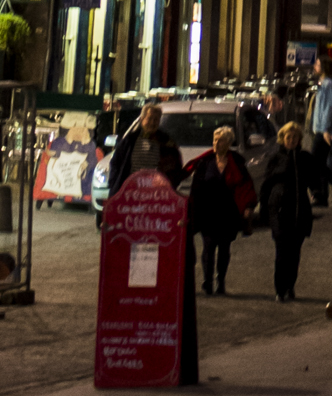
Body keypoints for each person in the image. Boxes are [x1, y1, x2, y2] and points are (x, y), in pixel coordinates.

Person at [185, 127, 255, 294]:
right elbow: (196, 188)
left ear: (229, 143)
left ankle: (220, 281)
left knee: (224, 249)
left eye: (220, 140)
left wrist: (247, 207)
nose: (216, 143)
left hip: (228, 213)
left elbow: (246, 186)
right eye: (215, 140)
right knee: (208, 248)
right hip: (208, 212)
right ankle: (207, 281)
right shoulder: (205, 163)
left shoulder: (236, 163)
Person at [256, 120, 316, 301]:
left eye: (295, 137)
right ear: (282, 139)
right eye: (288, 137)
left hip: (299, 210)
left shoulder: (304, 157)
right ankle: (280, 289)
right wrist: (263, 209)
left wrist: (317, 190)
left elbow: (315, 176)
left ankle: (290, 286)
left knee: (294, 253)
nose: (292, 140)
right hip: (280, 210)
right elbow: (266, 185)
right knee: (282, 251)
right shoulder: (276, 158)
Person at [108, 99, 185, 196]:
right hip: (130, 193)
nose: (152, 123)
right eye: (149, 118)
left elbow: (176, 168)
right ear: (142, 119)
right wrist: (114, 184)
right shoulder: (129, 141)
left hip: (157, 194)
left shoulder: (167, 143)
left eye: (156, 119)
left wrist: (170, 186)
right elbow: (115, 164)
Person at [306, 51, 332, 201]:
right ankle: (322, 195)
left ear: (324, 67)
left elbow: (329, 108)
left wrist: (326, 129)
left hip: (323, 131)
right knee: (320, 164)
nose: (315, 67)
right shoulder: (324, 84)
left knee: (314, 164)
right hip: (320, 129)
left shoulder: (329, 85)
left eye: (317, 64)